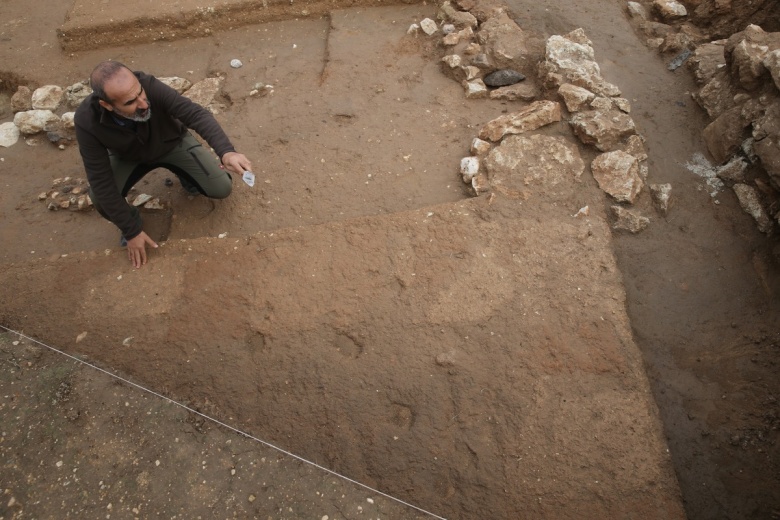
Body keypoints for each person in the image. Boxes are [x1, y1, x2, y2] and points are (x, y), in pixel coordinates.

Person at [74, 60, 252, 268]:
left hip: (171, 144)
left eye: (141, 93)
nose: (143, 103)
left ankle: (188, 176)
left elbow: (195, 114)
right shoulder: (86, 120)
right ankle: (133, 221)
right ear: (107, 105)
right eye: (130, 102)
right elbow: (100, 180)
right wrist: (130, 230)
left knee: (221, 187)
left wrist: (226, 152)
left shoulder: (149, 85)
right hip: (128, 157)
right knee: (100, 198)